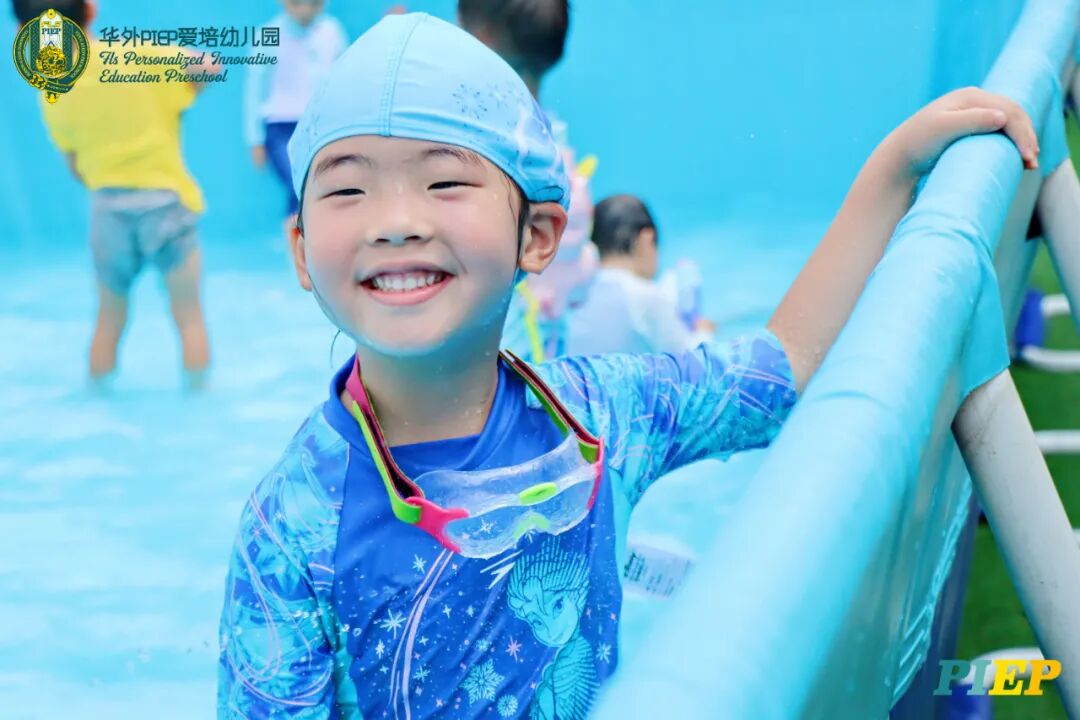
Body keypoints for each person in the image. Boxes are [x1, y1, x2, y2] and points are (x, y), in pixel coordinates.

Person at [216, 13, 1039, 718]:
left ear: (538, 235)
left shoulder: (604, 414)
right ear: (300, 248)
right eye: (348, 190)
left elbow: (780, 370)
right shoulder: (290, 527)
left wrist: (893, 170)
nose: (395, 221)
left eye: (444, 182)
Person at [15, 0, 217, 391]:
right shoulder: (138, 56)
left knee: (108, 318)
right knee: (189, 317)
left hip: (107, 210)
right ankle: (198, 397)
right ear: (91, 10)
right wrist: (182, 95)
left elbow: (76, 168)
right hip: (167, 204)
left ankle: (97, 399)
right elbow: (209, 66)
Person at [459, 0, 599, 362]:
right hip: (550, 332)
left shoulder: (478, 138)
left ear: (480, 39)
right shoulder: (553, 137)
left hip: (501, 340)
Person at [244, 0, 347, 239]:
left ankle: (317, 244)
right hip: (280, 126)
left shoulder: (332, 31)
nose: (305, 9)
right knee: (297, 185)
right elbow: (254, 90)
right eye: (297, 2)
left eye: (314, 3)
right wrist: (255, 139)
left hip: (320, 125)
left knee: (320, 185)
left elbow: (343, 80)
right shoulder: (267, 34)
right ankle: (297, 248)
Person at [567, 194, 717, 355]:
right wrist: (704, 334)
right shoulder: (647, 296)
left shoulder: (571, 297)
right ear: (647, 238)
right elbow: (692, 360)